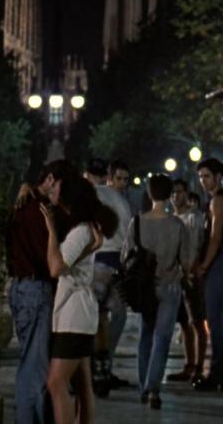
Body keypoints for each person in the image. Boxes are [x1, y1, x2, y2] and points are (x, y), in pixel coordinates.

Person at [44, 174, 118, 424]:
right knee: (83, 385)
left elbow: (56, 267)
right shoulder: (86, 229)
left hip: (73, 315)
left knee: (56, 383)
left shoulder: (80, 232)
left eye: (57, 186)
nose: (52, 189)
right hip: (82, 314)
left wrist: (51, 230)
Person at [5, 160, 74, 424]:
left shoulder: (23, 204)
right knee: (34, 369)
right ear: (51, 180)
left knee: (32, 362)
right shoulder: (41, 212)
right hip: (36, 288)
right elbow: (50, 261)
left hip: (22, 287)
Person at [124, 174, 192, 409]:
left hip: (145, 288)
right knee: (162, 338)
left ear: (150, 193)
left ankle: (144, 386)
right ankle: (153, 388)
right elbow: (186, 261)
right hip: (170, 286)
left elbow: (126, 257)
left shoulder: (137, 222)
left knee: (146, 335)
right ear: (169, 194)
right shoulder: (177, 225)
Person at [84, 158, 132, 395]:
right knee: (117, 316)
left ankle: (95, 368)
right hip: (116, 263)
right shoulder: (120, 200)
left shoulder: (93, 196)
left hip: (98, 261)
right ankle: (104, 366)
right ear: (108, 176)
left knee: (97, 318)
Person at [192, 158, 223, 392]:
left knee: (215, 319)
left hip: (218, 262)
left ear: (218, 177)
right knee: (215, 318)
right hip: (218, 261)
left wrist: (204, 265)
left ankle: (220, 373)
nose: (203, 180)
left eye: (207, 176)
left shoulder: (219, 200)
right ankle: (220, 372)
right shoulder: (215, 199)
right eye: (200, 176)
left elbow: (216, 237)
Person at [166, 178, 208, 383]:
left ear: (186, 193)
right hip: (175, 278)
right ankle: (189, 365)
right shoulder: (169, 219)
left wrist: (193, 270)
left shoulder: (194, 217)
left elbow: (200, 245)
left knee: (198, 322)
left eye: (180, 192)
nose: (176, 196)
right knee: (184, 323)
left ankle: (199, 367)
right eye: (173, 193)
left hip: (192, 277)